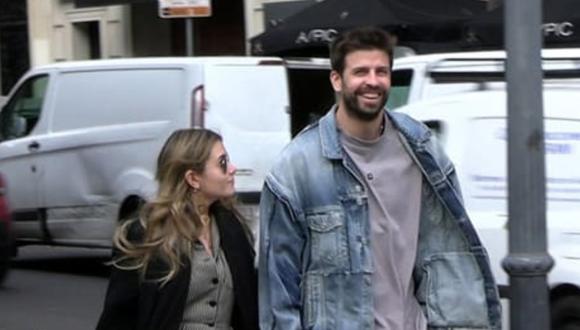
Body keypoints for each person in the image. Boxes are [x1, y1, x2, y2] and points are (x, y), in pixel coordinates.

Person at [258, 26, 501, 330]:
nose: (372, 81)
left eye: (381, 71)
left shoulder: (422, 150)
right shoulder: (295, 168)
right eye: (360, 72)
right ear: (337, 79)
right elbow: (278, 292)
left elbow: (448, 255)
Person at [96, 128, 258, 330]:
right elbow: (120, 315)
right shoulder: (147, 234)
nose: (232, 169)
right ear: (193, 178)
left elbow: (250, 306)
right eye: (223, 163)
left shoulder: (232, 228)